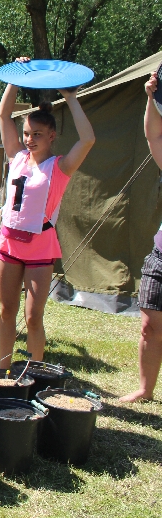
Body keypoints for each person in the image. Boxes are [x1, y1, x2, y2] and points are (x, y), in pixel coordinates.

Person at [0, 67, 95, 368]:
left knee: (32, 317)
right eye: (26, 133)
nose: (29, 139)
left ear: (52, 136)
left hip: (40, 246)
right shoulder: (16, 157)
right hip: (9, 244)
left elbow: (88, 139)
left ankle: (36, 372)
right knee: (6, 310)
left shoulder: (59, 167)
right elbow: (3, 115)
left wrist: (71, 98)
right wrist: (15, 76)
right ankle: (3, 368)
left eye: (37, 134)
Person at [121, 72, 162, 403]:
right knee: (149, 326)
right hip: (160, 256)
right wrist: (151, 97)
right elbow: (153, 136)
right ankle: (146, 390)